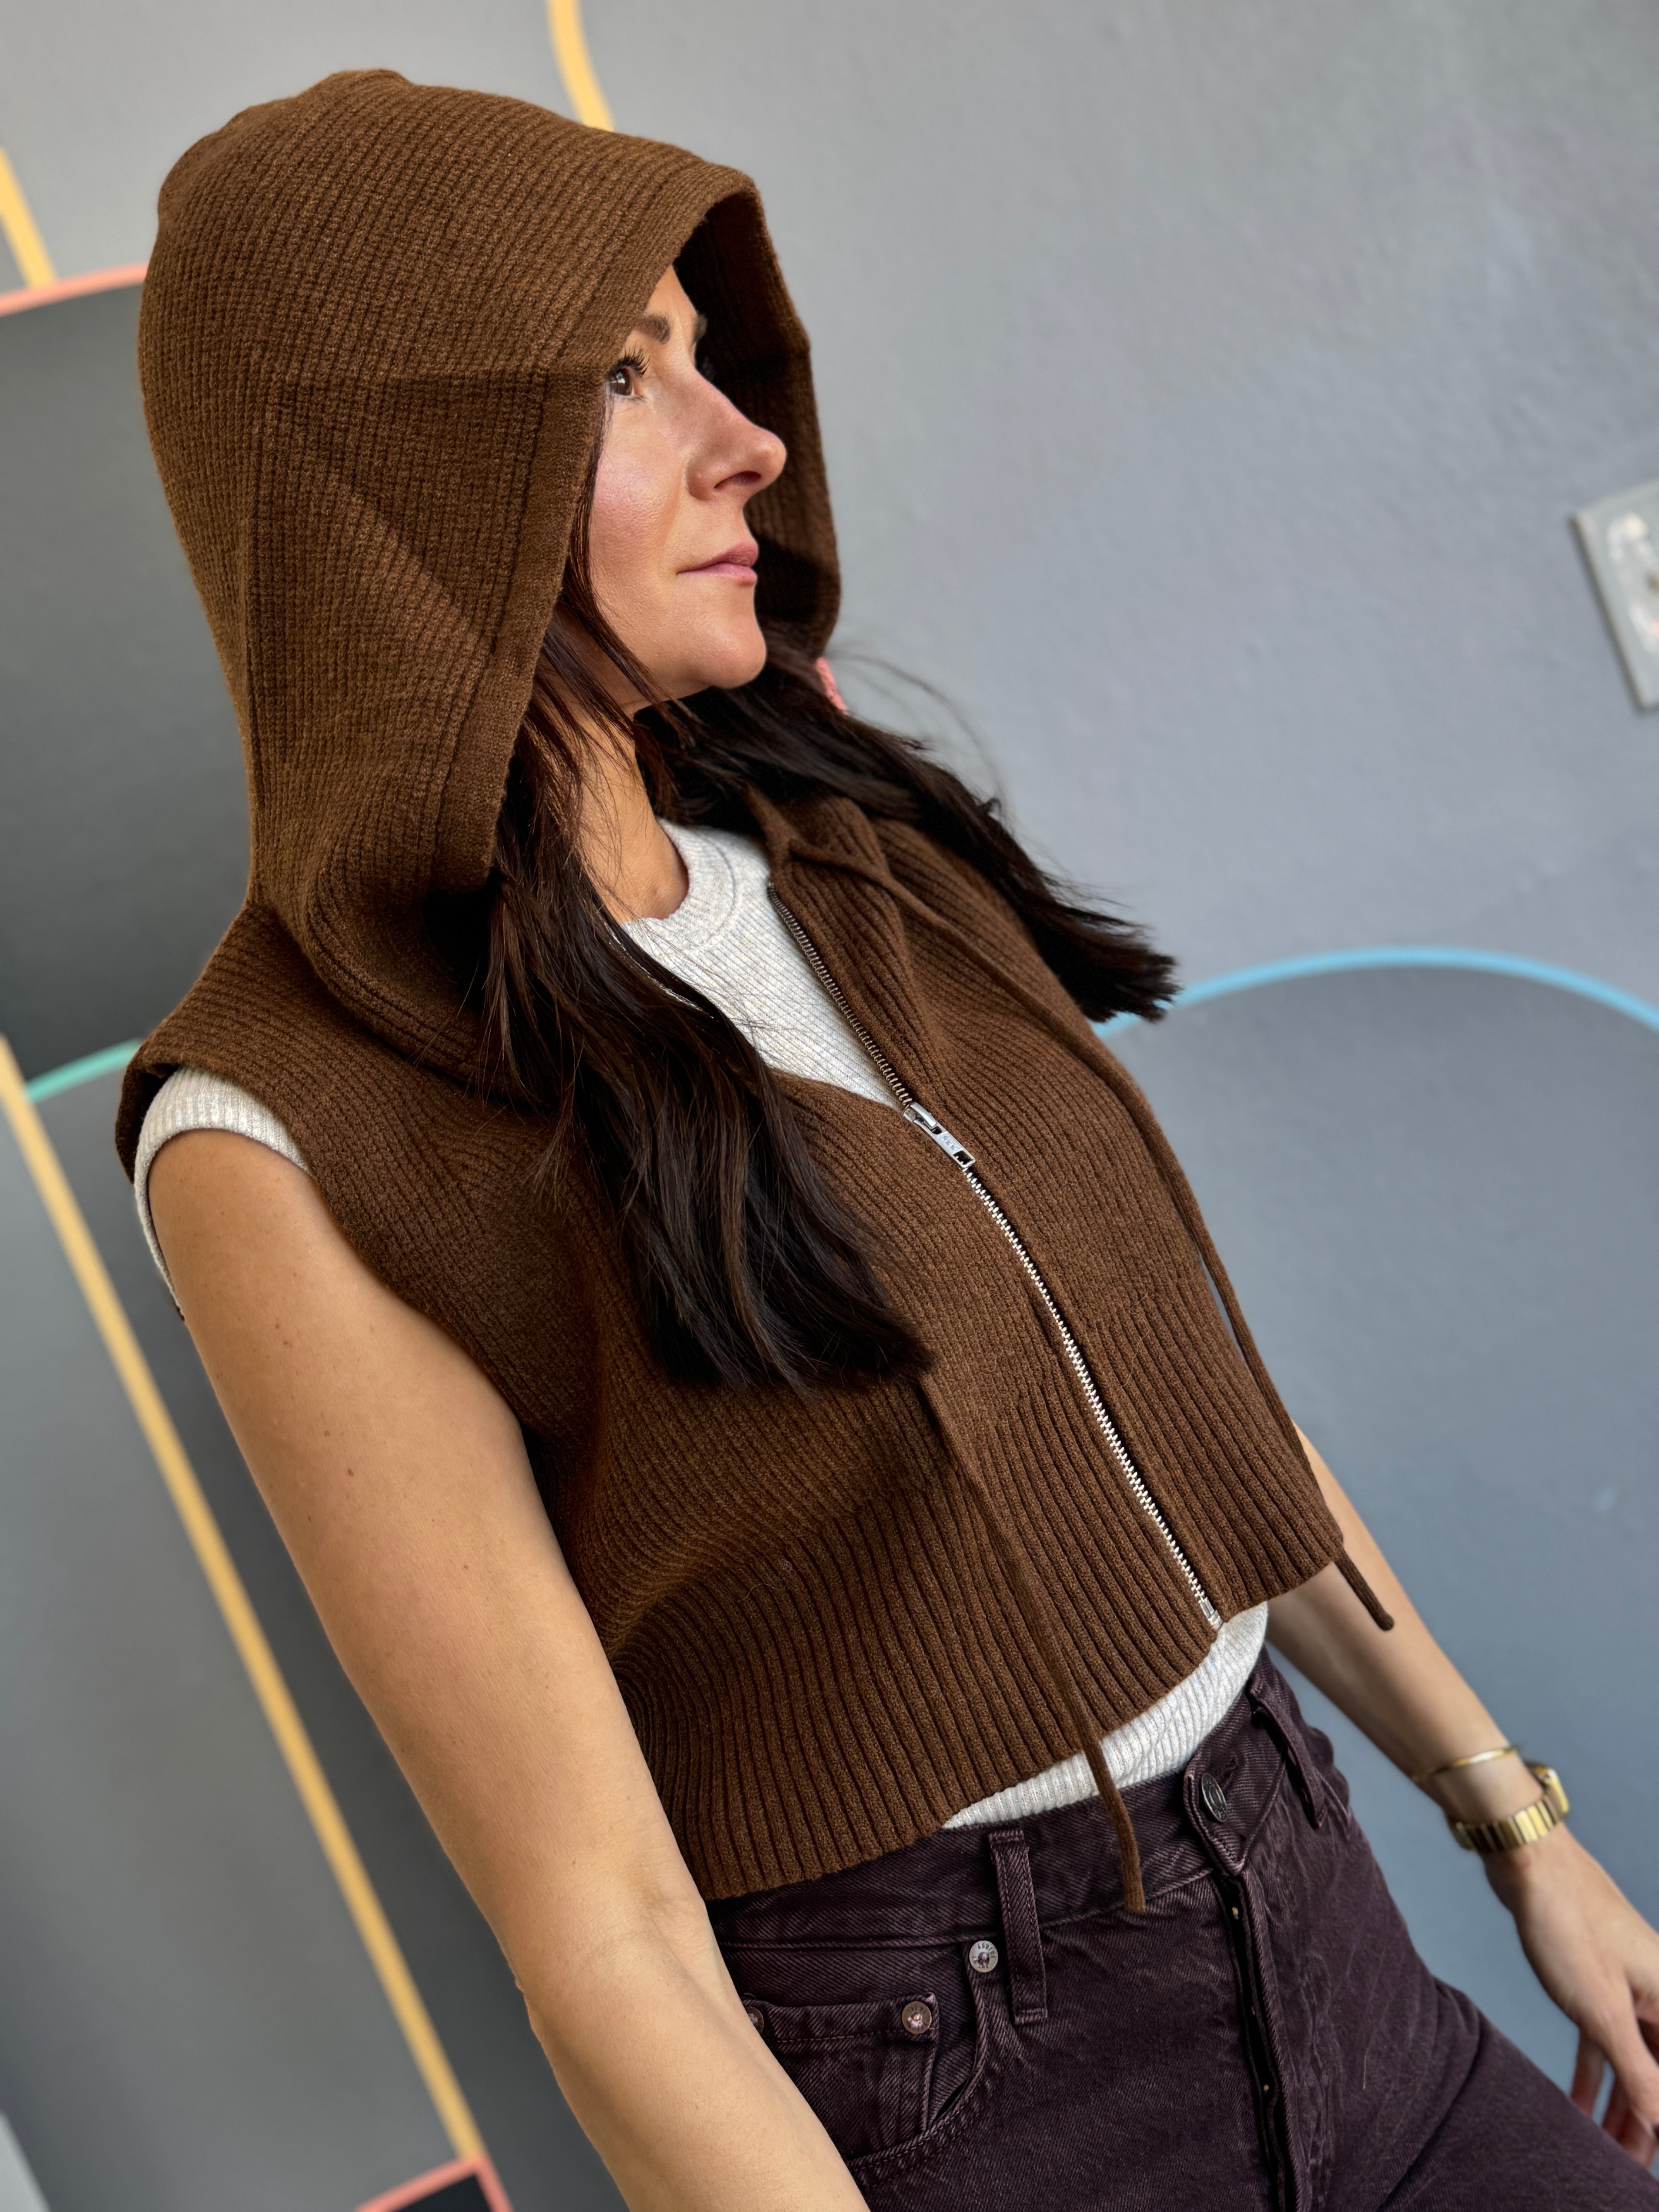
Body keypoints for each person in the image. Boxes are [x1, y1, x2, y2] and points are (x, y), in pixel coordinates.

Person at [122, 70, 1657, 2212]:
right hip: (981, 2094)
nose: (744, 433)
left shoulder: (845, 843)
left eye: (706, 349)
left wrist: (1514, 1823)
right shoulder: (276, 1121)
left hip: (1334, 1938)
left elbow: (1187, 1418)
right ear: (405, 471)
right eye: (624, 373)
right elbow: (609, 1946)